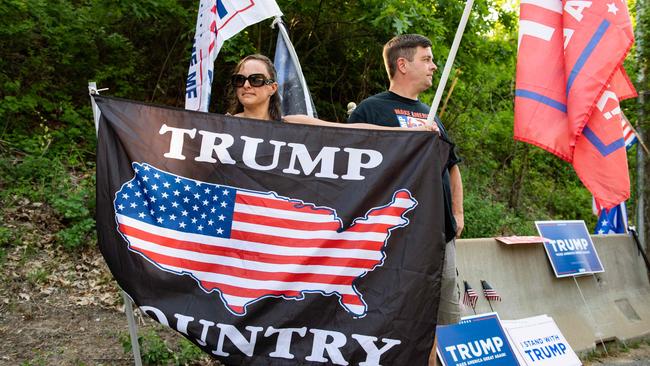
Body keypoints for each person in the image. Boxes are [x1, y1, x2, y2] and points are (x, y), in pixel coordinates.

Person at [348, 33, 464, 347]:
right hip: (395, 238)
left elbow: (451, 165)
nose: (434, 66)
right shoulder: (370, 111)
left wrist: (457, 213)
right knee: (398, 319)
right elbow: (351, 169)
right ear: (402, 64)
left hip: (439, 235)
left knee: (444, 320)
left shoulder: (431, 113)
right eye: (426, 59)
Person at [227, 54, 438, 132]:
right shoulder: (221, 128)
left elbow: (352, 131)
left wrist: (410, 132)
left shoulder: (291, 123)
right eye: (240, 80)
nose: (246, 85)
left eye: (256, 80)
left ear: (272, 87)